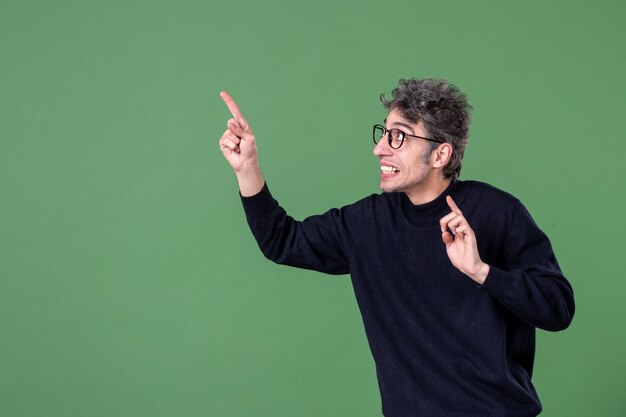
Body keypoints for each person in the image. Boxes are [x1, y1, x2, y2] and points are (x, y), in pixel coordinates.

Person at [218, 78, 575, 417]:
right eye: (384, 134)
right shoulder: (366, 223)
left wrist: (482, 271)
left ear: (440, 155)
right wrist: (247, 168)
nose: (379, 148)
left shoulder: (497, 213)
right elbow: (282, 241)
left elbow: (557, 308)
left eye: (398, 137)